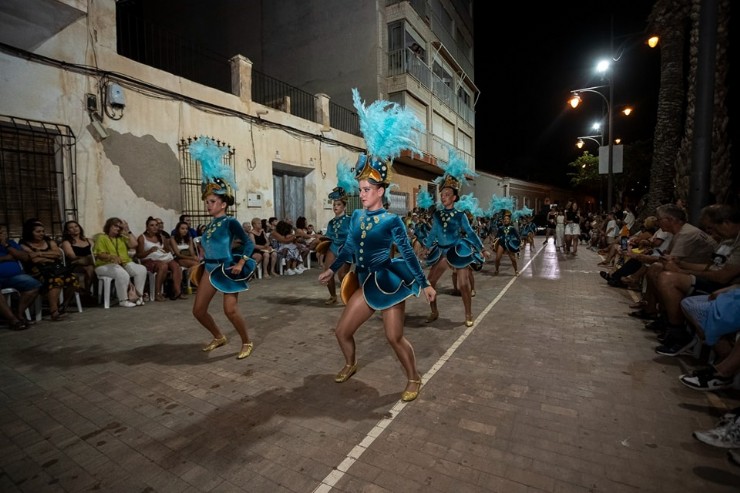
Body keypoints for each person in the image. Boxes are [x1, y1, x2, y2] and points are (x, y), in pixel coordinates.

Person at [318, 88, 434, 402]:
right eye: (360, 188)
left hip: (389, 282)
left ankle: (414, 377)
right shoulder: (355, 216)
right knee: (342, 331)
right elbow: (348, 248)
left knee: (393, 337)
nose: (363, 192)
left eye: (367, 188)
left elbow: (408, 253)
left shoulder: (392, 221)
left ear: (381, 190)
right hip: (365, 283)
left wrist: (424, 284)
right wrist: (332, 270)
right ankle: (350, 363)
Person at [189, 136, 256, 360]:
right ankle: (219, 336)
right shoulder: (208, 226)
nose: (208, 205)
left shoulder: (230, 222)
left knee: (230, 310)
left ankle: (247, 341)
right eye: (207, 202)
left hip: (227, 268)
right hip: (209, 269)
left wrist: (240, 262)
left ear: (223, 203)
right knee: (198, 310)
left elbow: (249, 243)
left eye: (212, 202)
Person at [423, 152, 484, 327]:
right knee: (430, 282)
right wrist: (427, 246)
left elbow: (471, 233)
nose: (443, 196)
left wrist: (481, 248)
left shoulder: (459, 215)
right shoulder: (437, 214)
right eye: (442, 194)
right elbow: (434, 232)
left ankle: (468, 314)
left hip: (456, 251)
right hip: (441, 252)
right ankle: (434, 311)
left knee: (464, 285)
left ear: (454, 197)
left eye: (447, 194)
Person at [20, 219, 80, 321]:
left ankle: (63, 306)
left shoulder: (48, 241)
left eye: (43, 231)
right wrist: (50, 256)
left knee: (73, 278)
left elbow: (58, 254)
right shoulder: (24, 244)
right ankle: (54, 311)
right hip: (37, 271)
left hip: (55, 269)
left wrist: (39, 253)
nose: (41, 234)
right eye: (38, 232)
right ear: (30, 232)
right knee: (56, 280)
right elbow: (34, 259)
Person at [318, 163, 356, 304]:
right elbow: (328, 236)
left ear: (344, 206)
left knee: (342, 274)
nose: (335, 207)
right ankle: (333, 296)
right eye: (334, 205)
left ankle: (349, 297)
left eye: (338, 204)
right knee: (327, 271)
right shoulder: (331, 223)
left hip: (346, 249)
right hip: (333, 247)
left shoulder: (350, 220)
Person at [93, 217, 148, 307]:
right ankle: (123, 300)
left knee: (141, 269)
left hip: (124, 263)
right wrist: (111, 257)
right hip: (104, 265)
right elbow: (99, 255)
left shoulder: (122, 238)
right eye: (115, 226)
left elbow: (134, 245)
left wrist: (128, 230)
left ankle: (137, 297)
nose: (118, 228)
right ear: (109, 226)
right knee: (121, 273)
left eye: (120, 227)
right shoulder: (102, 237)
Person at [0, 225, 41, 329]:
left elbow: (25, 257)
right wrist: (7, 257)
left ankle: (19, 314)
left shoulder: (11, 244)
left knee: (34, 285)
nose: (3, 235)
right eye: (0, 233)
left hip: (14, 276)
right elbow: (13, 256)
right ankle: (12, 320)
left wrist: (6, 245)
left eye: (4, 232)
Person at [137, 216, 184, 301]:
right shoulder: (142, 238)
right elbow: (139, 255)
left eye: (156, 225)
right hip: (148, 260)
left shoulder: (161, 236)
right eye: (152, 225)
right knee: (163, 266)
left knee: (175, 265)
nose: (155, 227)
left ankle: (177, 291)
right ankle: (157, 293)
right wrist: (150, 251)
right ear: (147, 227)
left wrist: (165, 248)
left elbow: (167, 249)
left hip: (161, 258)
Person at [60, 220, 96, 301]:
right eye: (71, 228)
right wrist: (85, 258)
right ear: (68, 231)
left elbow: (96, 253)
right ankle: (86, 293)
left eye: (76, 226)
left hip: (89, 263)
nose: (74, 229)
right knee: (90, 267)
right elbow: (71, 256)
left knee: (91, 266)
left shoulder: (89, 240)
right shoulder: (66, 242)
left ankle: (88, 292)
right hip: (74, 264)